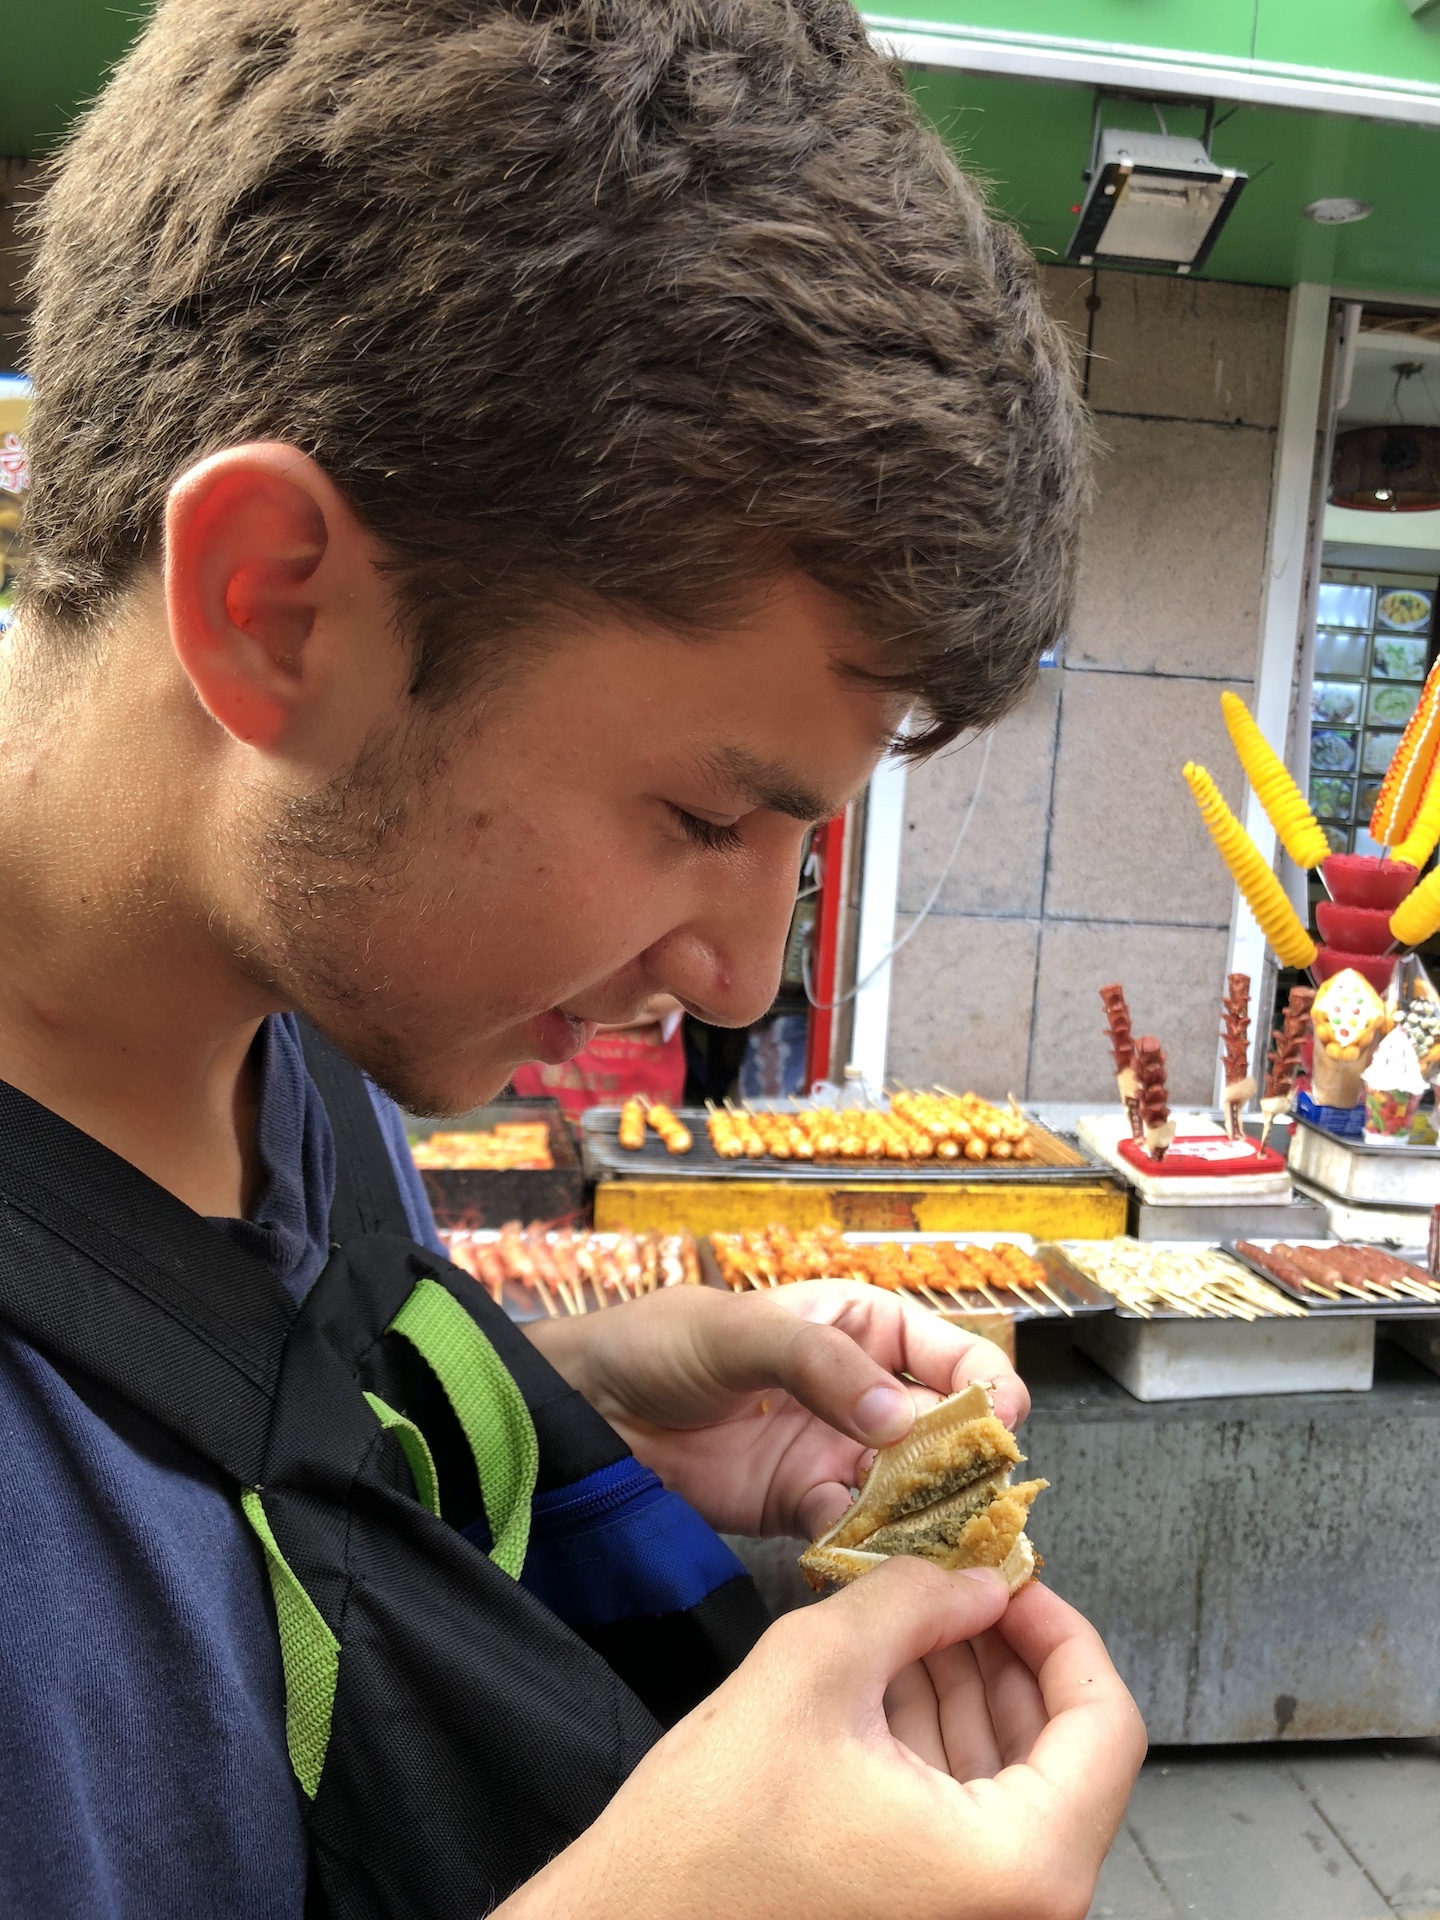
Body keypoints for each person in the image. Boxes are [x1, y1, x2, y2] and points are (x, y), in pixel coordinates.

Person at [0, 0, 1144, 1914]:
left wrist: (554, 1411)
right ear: (275, 612)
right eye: (702, 816)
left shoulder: (285, 1012)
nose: (743, 981)